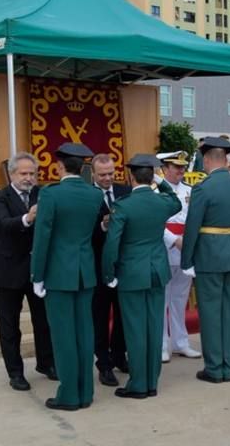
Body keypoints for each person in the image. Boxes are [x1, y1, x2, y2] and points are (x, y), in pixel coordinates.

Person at [30, 142, 104, 411]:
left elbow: (43, 237)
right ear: (84, 166)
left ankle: (69, 395)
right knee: (85, 333)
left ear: (60, 166)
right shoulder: (94, 195)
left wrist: (37, 275)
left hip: (59, 273)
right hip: (85, 271)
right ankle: (86, 391)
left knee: (63, 336)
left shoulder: (51, 195)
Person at [102, 154, 181, 399]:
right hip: (157, 270)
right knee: (154, 326)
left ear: (130, 176)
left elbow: (112, 243)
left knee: (135, 329)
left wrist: (109, 272)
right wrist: (159, 178)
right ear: (151, 177)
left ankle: (138, 384)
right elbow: (175, 201)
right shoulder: (162, 202)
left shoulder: (123, 206)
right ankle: (152, 382)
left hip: (132, 272)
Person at [181, 137, 230, 383]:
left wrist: (186, 260)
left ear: (207, 159)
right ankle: (228, 366)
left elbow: (193, 226)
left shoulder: (203, 188)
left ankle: (214, 367)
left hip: (210, 254)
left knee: (210, 313)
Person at [0, 152, 55, 392]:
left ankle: (46, 363)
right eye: (23, 173)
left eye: (32, 173)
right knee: (9, 325)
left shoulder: (43, 194)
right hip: (8, 271)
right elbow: (4, 224)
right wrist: (28, 217)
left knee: (44, 321)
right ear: (12, 174)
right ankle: (15, 372)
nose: (28, 178)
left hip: (37, 270)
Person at [158, 151, 202, 363]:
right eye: (176, 167)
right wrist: (174, 239)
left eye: (182, 167)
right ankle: (162, 345)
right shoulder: (156, 190)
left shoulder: (189, 190)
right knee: (162, 300)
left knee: (180, 299)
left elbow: (193, 219)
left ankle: (180, 342)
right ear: (165, 169)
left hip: (185, 249)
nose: (181, 171)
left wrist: (189, 241)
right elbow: (155, 220)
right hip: (164, 248)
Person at [91, 153, 130, 387]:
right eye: (102, 175)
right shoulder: (88, 196)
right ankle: (103, 364)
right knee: (100, 316)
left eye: (111, 174)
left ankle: (119, 355)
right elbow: (84, 232)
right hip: (97, 265)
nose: (107, 178)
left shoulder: (125, 192)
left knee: (123, 314)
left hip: (123, 264)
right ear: (93, 174)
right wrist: (102, 226)